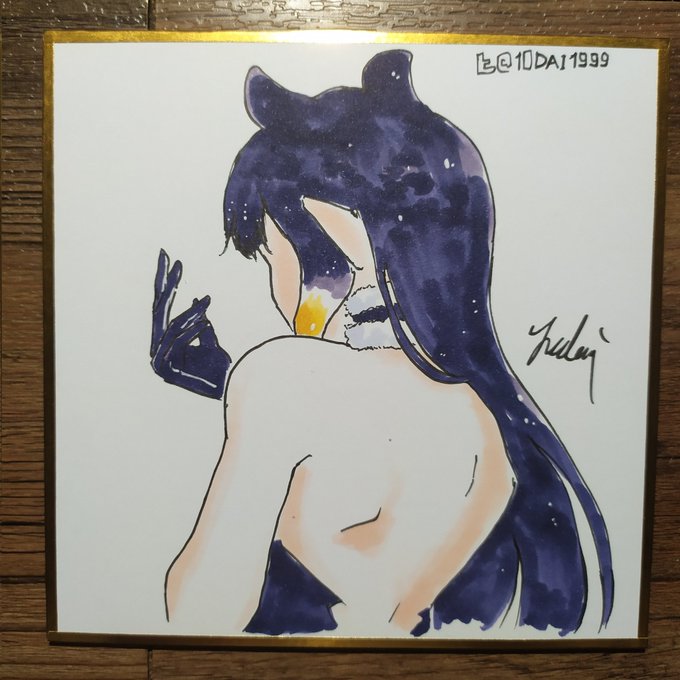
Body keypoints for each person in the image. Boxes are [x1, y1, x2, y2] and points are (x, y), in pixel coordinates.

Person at [154, 50, 613, 637]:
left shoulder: (278, 379)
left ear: (329, 244)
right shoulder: (499, 423)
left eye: (271, 251)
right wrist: (230, 388)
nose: (274, 283)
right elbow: (393, 590)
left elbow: (197, 615)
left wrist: (249, 394)